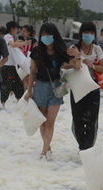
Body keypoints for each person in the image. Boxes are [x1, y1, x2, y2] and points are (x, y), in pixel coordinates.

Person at [24, 23, 80, 160]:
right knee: (42, 121)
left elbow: (77, 66)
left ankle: (44, 151)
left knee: (50, 122)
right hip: (40, 87)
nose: (46, 37)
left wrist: (77, 55)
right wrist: (29, 90)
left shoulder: (61, 50)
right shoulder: (37, 51)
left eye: (48, 34)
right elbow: (32, 72)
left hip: (57, 87)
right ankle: (47, 147)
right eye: (43, 34)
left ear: (54, 35)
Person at [70, 21, 103, 151]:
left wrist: (92, 65)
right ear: (81, 33)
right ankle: (81, 145)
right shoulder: (74, 48)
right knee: (77, 119)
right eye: (86, 32)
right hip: (77, 88)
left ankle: (87, 149)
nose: (88, 35)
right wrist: (78, 58)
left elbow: (102, 69)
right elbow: (69, 65)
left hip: (93, 88)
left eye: (91, 32)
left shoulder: (97, 49)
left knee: (92, 120)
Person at [0, 21, 28, 107]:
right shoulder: (8, 36)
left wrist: (20, 42)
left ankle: (20, 103)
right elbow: (12, 44)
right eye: (17, 28)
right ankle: (2, 104)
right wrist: (24, 43)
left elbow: (13, 44)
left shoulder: (9, 37)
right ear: (12, 28)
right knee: (7, 86)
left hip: (10, 66)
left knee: (17, 84)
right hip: (7, 66)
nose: (18, 30)